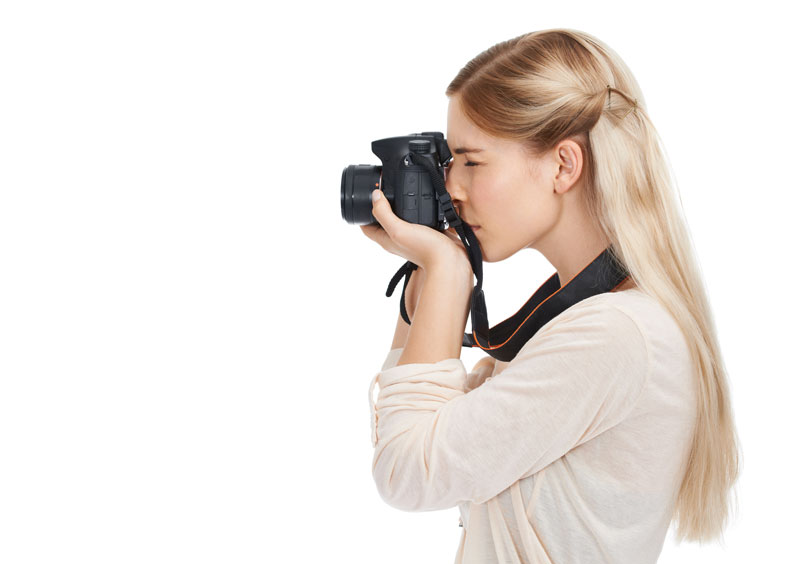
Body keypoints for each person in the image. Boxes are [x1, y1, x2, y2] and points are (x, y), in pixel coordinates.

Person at [361, 28, 740, 564]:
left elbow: (406, 471)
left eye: (471, 161)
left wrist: (446, 271)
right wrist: (428, 273)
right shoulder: (589, 319)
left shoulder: (614, 335)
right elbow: (418, 429)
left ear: (563, 165)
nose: (452, 188)